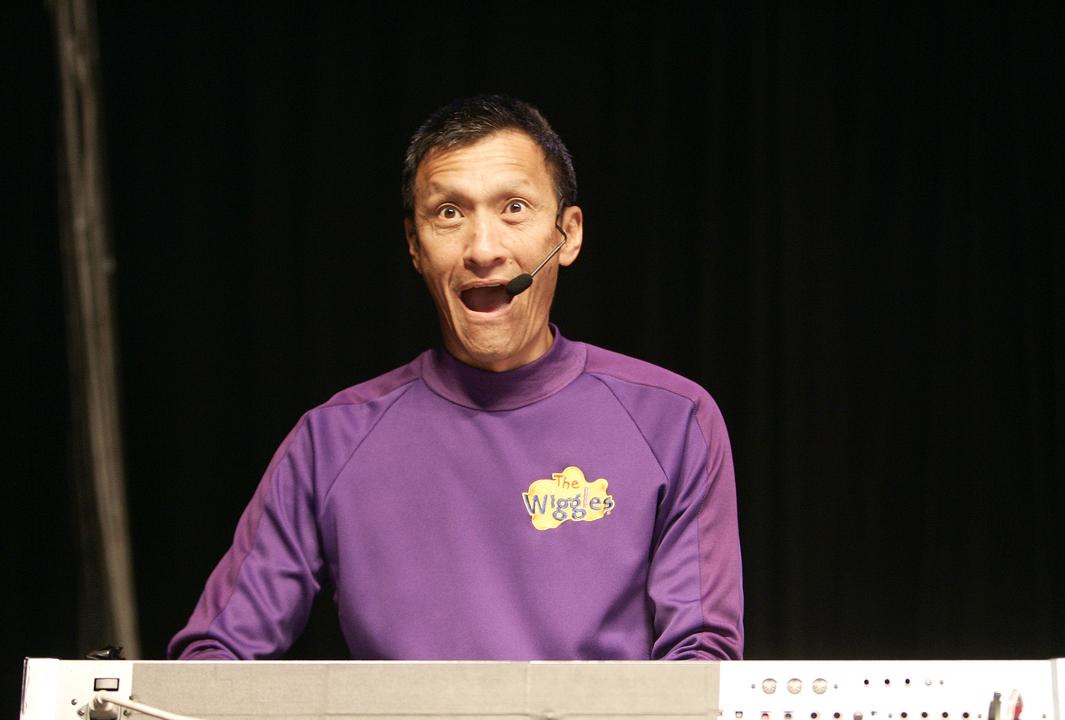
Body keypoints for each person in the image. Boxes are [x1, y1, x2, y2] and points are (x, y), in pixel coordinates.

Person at [168, 95, 743, 661]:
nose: (483, 249)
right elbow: (214, 659)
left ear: (567, 235)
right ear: (416, 247)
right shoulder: (330, 440)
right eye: (449, 213)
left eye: (514, 207)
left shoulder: (673, 420)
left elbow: (701, 662)